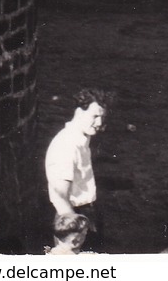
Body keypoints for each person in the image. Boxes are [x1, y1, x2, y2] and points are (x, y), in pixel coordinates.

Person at [45, 90, 107, 249]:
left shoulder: (81, 140)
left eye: (102, 117)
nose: (99, 123)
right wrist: (75, 234)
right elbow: (59, 197)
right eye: (95, 117)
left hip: (87, 212)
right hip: (72, 217)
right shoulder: (67, 145)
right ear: (79, 112)